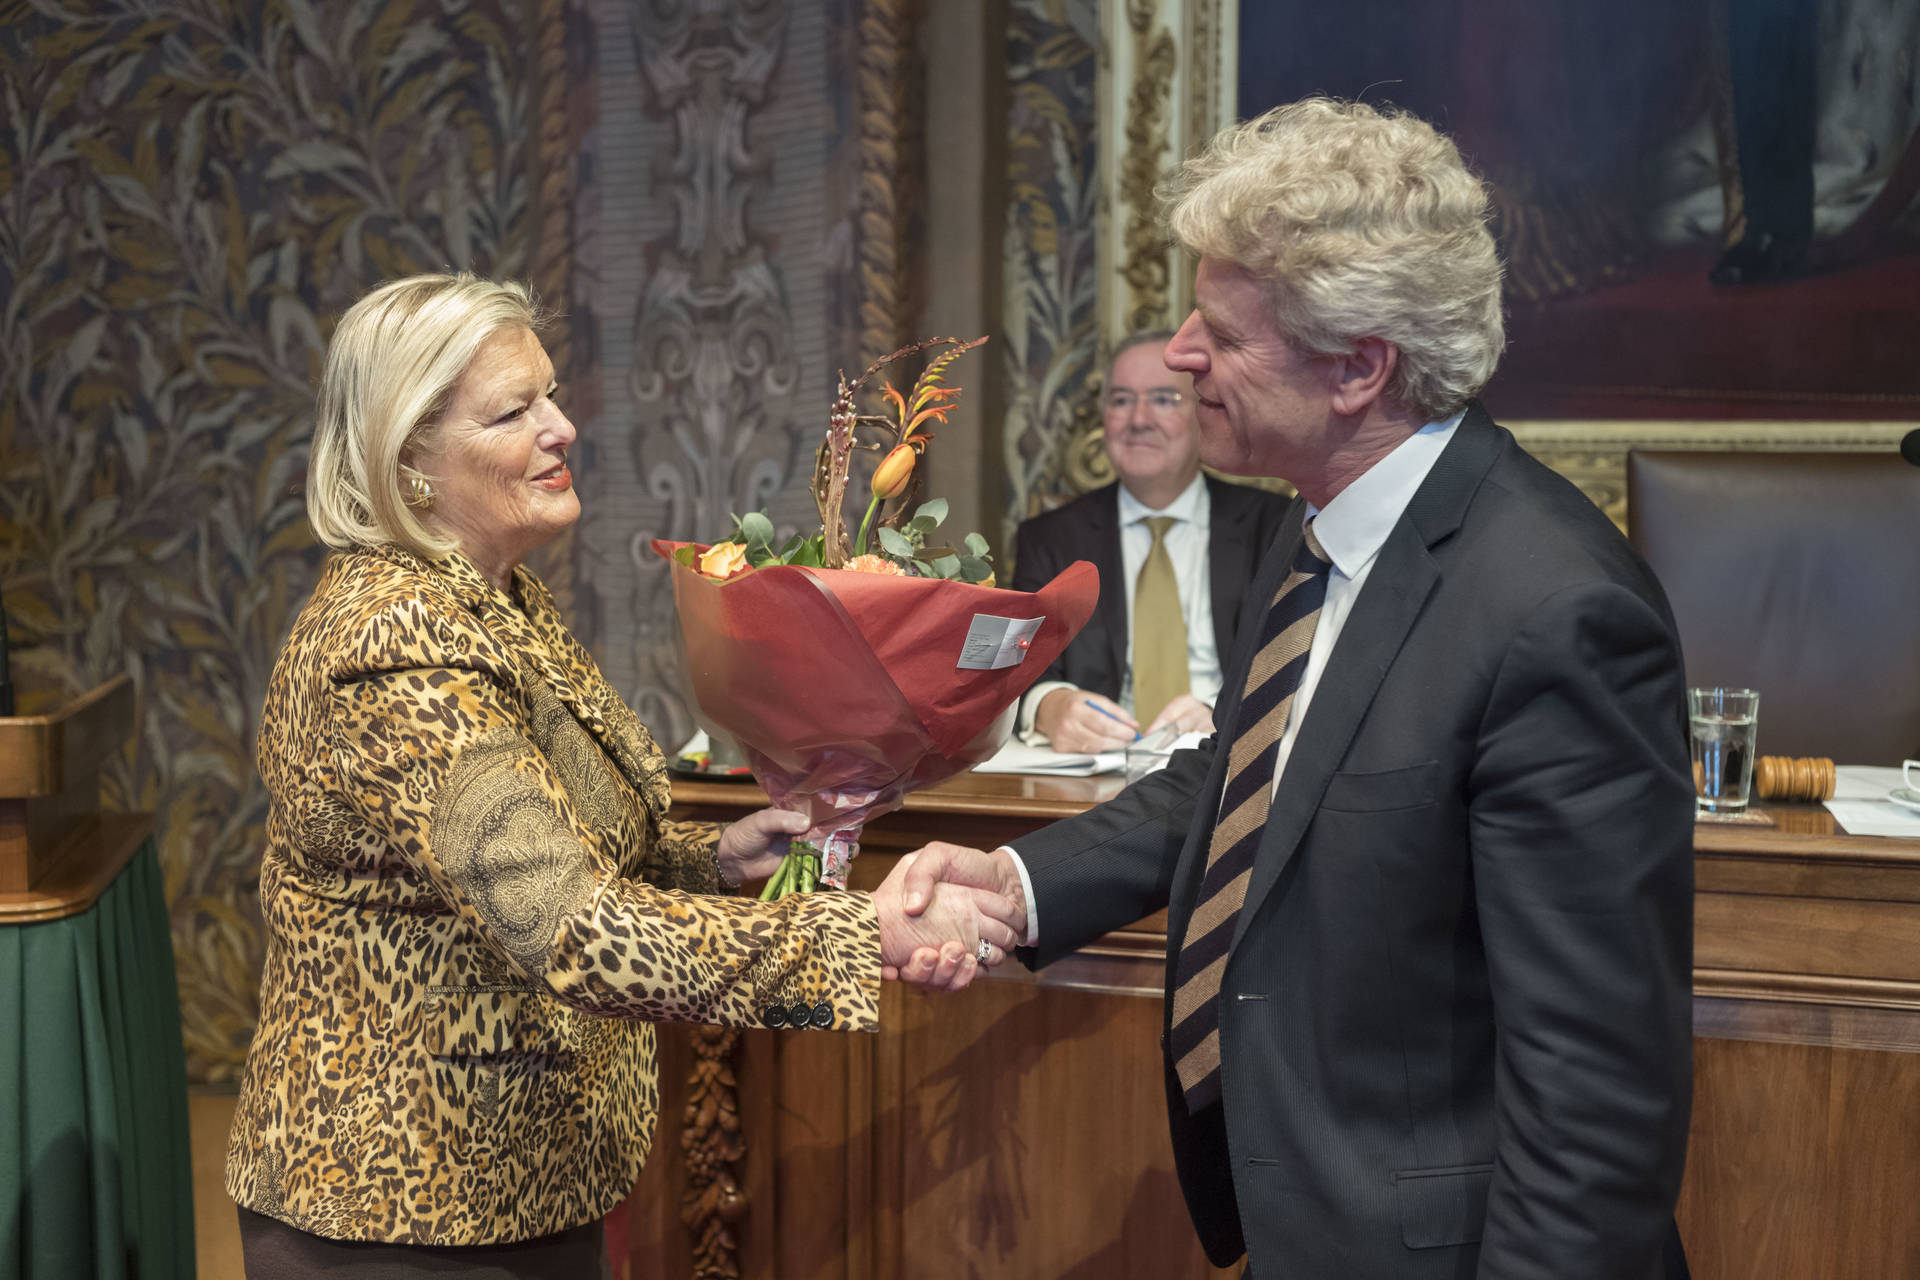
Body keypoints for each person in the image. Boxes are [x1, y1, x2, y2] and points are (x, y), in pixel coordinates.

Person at [899, 100, 1695, 1277]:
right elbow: (1245, 782)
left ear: (1358, 367)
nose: (1177, 353)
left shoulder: (1558, 609)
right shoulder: (1321, 525)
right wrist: (1018, 885)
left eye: (1218, 329)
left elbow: (1596, 1096)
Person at [225, 274, 1020, 1275]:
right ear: (408, 457)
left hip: (518, 1184)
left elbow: (557, 849)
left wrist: (717, 861)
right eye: (514, 411)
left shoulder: (496, 597)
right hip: (401, 1211)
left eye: (550, 393)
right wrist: (858, 934)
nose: (562, 427)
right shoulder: (397, 637)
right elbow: (562, 922)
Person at [1013, 333, 1288, 754]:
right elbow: (1017, 669)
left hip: (1231, 767)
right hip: (1093, 772)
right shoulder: (1050, 538)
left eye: (1163, 399)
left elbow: (1302, 661)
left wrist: (1223, 712)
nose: (1139, 419)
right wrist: (1049, 706)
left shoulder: (1275, 526)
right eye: (1121, 400)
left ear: (1203, 414)